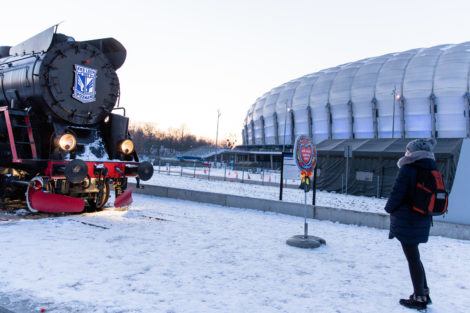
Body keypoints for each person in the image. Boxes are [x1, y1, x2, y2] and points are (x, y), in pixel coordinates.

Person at [384, 138, 437, 310]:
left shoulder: (408, 168)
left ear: (412, 152)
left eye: (408, 150)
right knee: (415, 257)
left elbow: (397, 193)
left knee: (412, 258)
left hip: (407, 220)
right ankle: (424, 292)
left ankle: (420, 297)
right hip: (422, 218)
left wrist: (389, 208)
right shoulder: (431, 167)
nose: (406, 152)